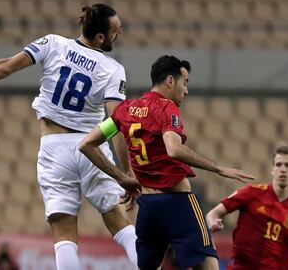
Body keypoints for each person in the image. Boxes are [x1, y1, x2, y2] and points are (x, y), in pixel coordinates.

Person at [0, 4, 140, 270]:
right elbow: (116, 123)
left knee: (64, 233)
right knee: (119, 223)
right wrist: (125, 173)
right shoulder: (113, 69)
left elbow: (5, 66)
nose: (118, 34)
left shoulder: (53, 43)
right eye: (116, 31)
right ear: (100, 37)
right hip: (92, 148)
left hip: (54, 148)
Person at [79, 55, 255, 269]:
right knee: (208, 265)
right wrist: (218, 168)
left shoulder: (125, 110)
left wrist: (122, 178)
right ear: (170, 81)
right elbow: (173, 148)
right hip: (178, 203)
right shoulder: (166, 107)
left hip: (148, 208)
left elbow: (86, 144)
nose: (186, 90)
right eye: (185, 82)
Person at [206, 144, 288, 270]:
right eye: (278, 164)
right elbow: (213, 213)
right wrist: (213, 222)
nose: (283, 169)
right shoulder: (251, 193)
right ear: (272, 169)